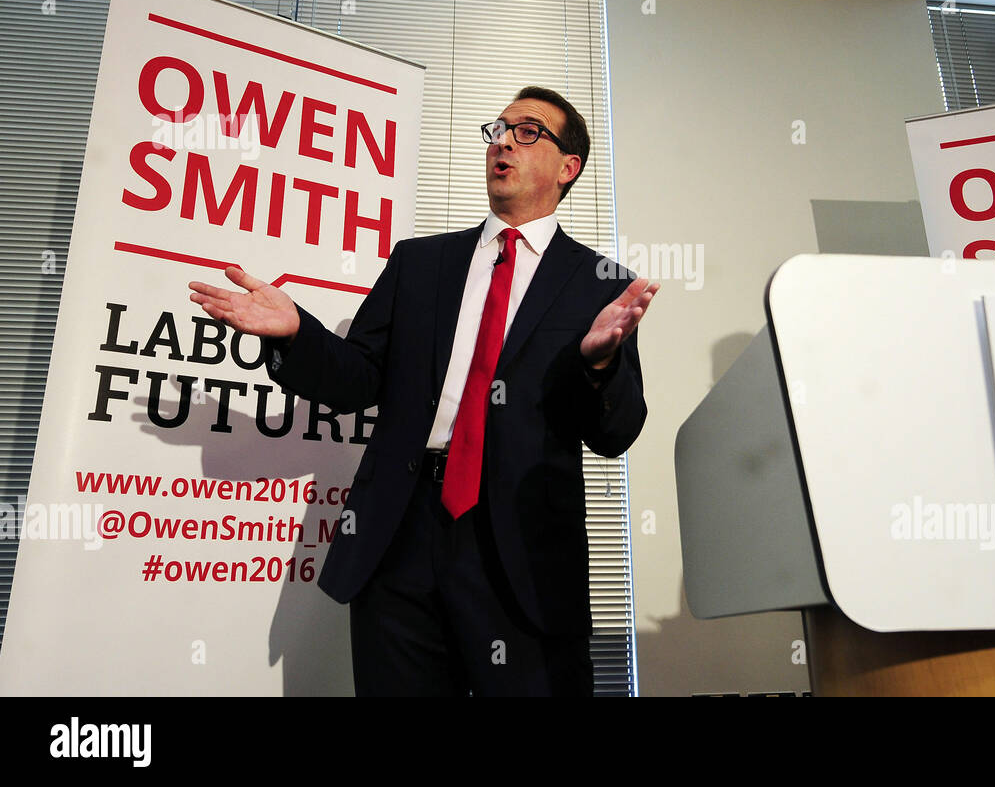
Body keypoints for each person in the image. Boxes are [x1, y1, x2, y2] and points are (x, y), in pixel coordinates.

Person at [188, 85, 657, 696]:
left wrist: (598, 366)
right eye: (497, 128)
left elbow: (615, 433)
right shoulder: (420, 263)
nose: (504, 141)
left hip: (520, 554)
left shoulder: (600, 286)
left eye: (528, 131)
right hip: (402, 539)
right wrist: (298, 331)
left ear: (569, 167)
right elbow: (358, 379)